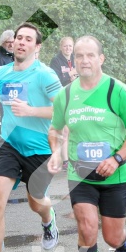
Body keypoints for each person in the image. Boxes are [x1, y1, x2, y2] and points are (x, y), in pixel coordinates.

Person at [47, 36, 126, 252]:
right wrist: (56, 152)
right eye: (79, 56)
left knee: (111, 236)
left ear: (101, 59)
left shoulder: (117, 90)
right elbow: (54, 130)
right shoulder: (65, 95)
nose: (84, 60)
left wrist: (116, 159)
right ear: (73, 61)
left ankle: (122, 242)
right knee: (87, 226)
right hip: (80, 175)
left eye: (90, 55)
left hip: (114, 175)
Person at [0, 22, 62, 252]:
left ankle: (48, 219)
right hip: (10, 144)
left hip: (40, 148)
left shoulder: (45, 75)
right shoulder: (0, 73)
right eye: (18, 38)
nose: (21, 42)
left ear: (37, 47)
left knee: (36, 203)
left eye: (27, 39)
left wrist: (31, 111)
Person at [49, 36, 77, 170]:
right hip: (62, 96)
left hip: (75, 96)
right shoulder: (56, 61)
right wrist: (69, 75)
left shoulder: (75, 59)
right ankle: (64, 159)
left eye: (70, 46)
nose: (68, 48)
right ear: (61, 47)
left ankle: (71, 157)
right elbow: (55, 80)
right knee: (64, 129)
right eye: (65, 46)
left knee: (73, 128)